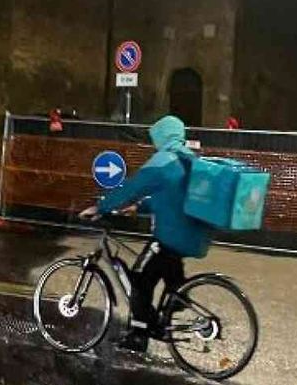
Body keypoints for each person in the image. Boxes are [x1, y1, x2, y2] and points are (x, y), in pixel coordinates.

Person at [79, 115, 211, 350]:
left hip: (170, 236)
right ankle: (170, 305)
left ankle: (140, 334)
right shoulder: (188, 161)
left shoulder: (163, 161)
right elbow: (170, 199)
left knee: (138, 280)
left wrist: (101, 207)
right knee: (162, 279)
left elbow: (131, 187)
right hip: (190, 235)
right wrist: (139, 207)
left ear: (161, 137)